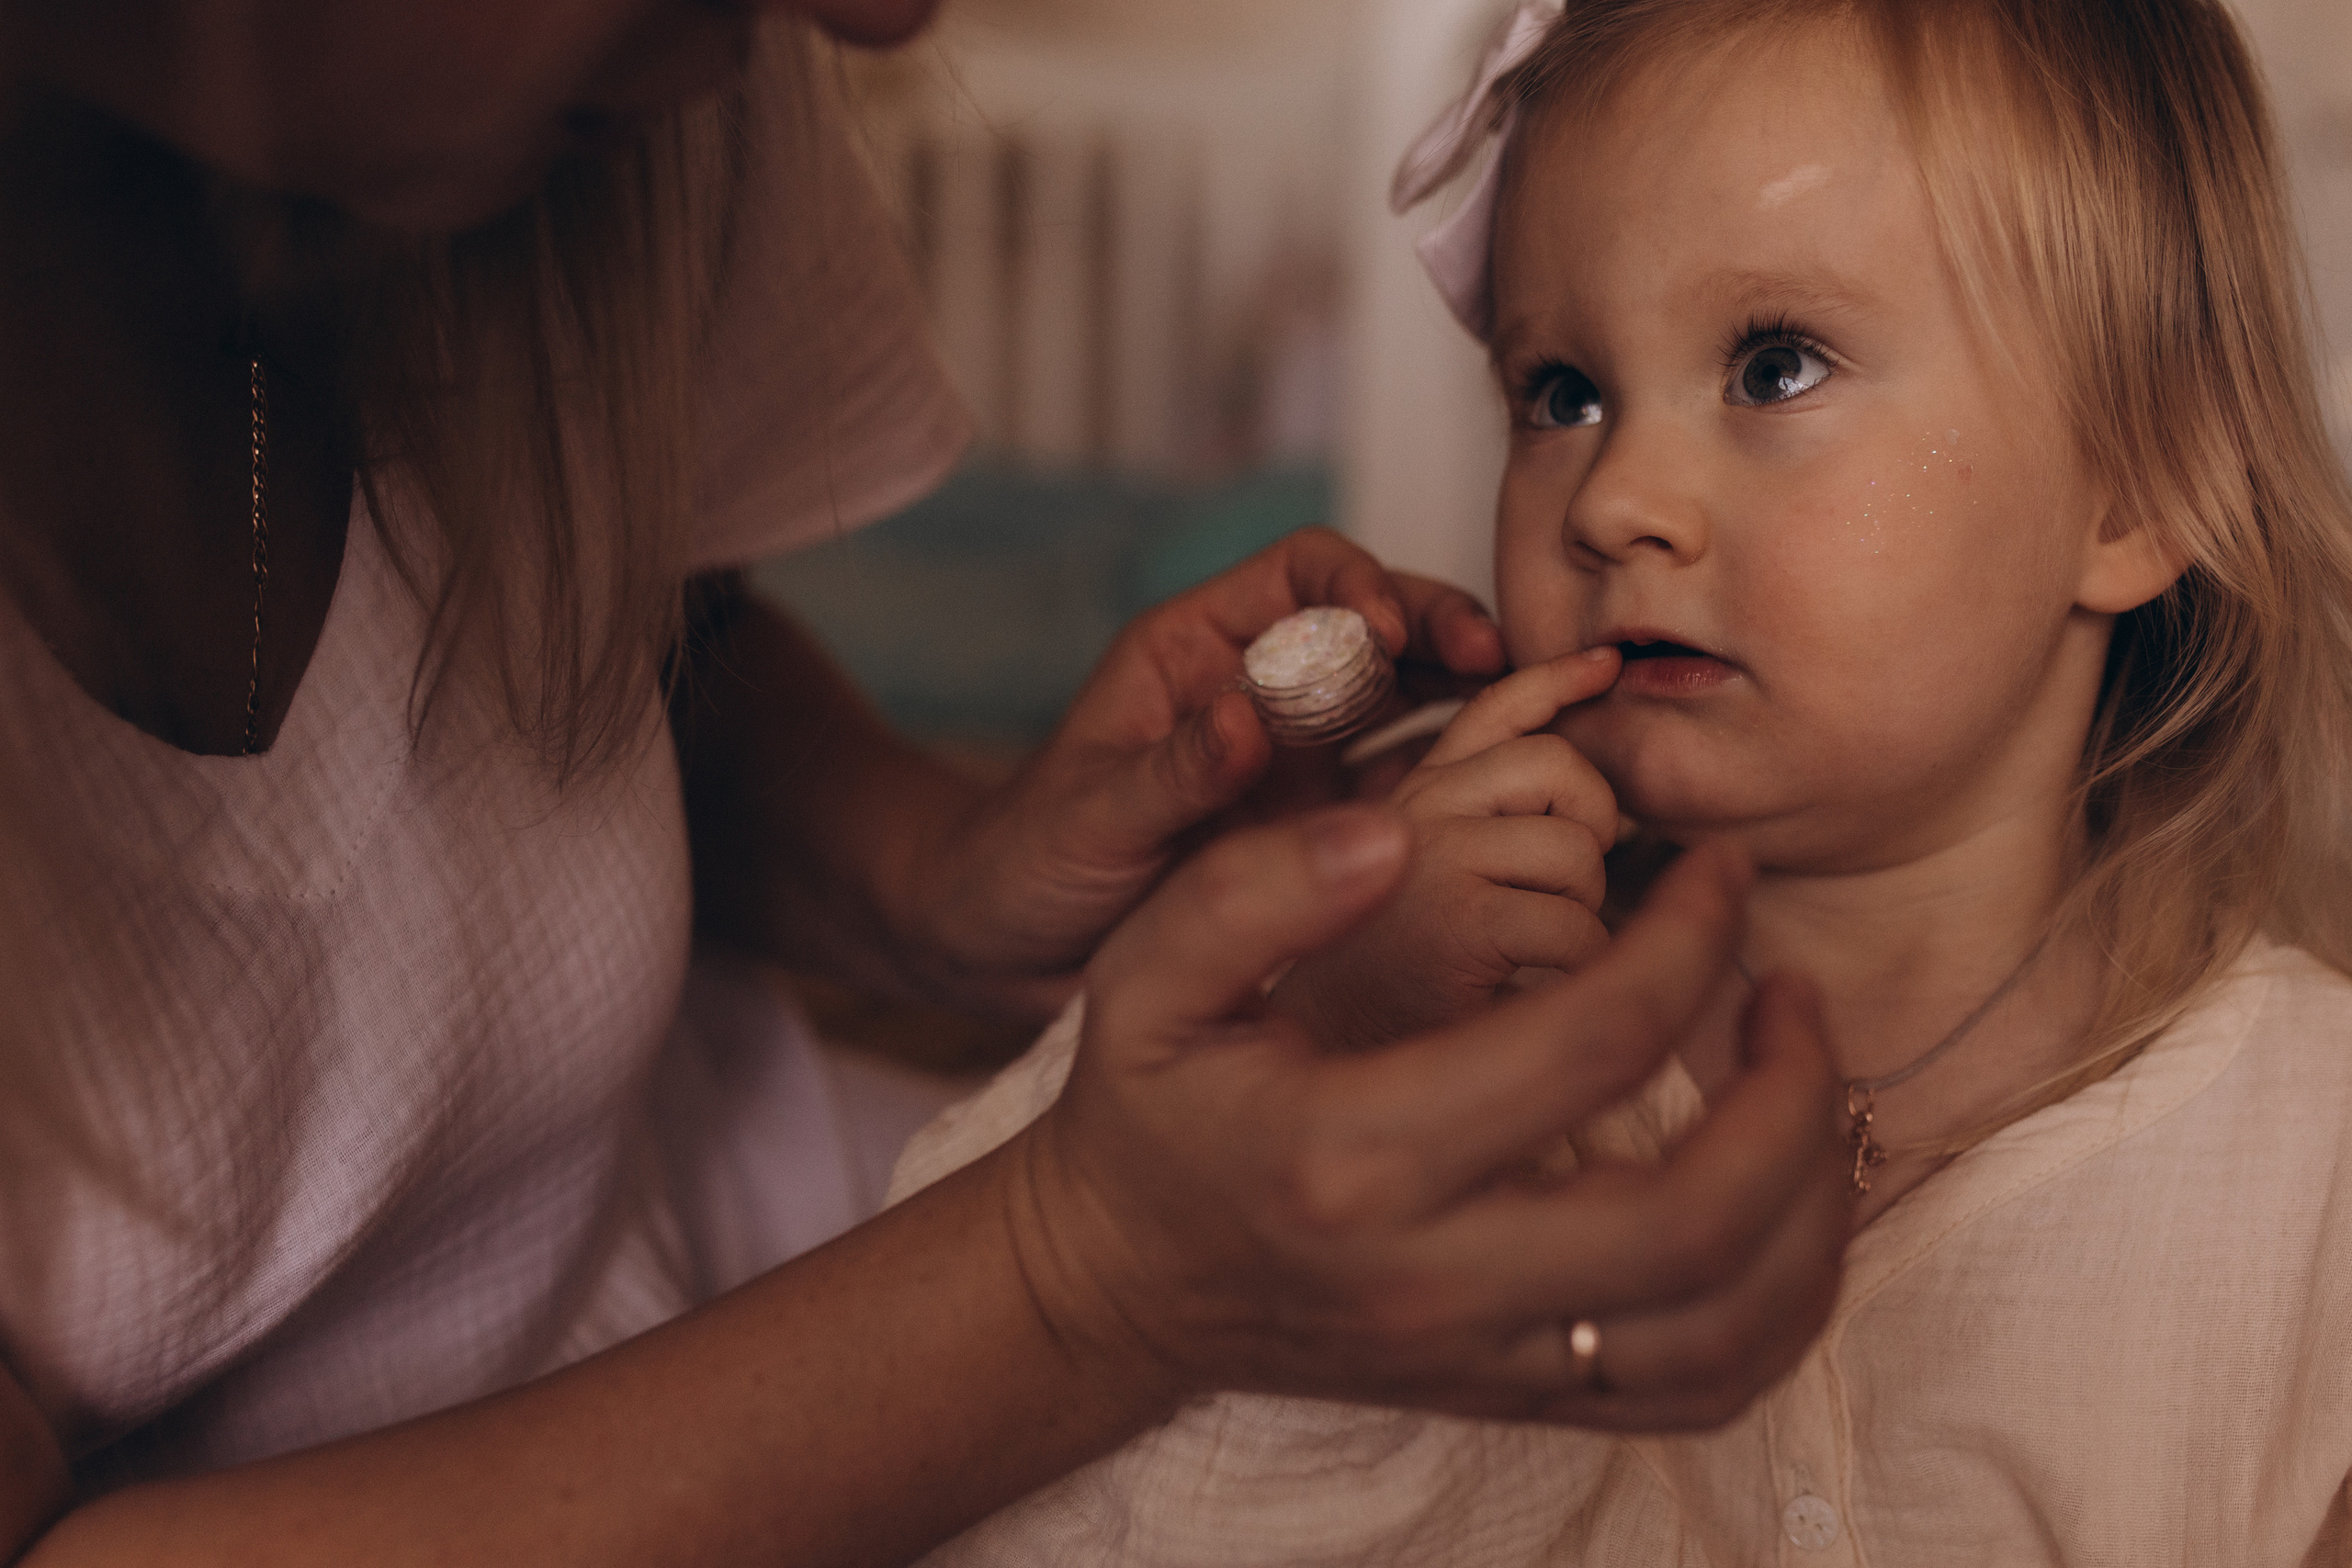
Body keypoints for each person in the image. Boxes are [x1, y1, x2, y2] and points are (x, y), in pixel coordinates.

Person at [0, 2, 1857, 1563]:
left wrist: (952, 873)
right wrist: (1084, 1273)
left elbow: (606, 658)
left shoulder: (630, 131)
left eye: (1774, 365)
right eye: (1555, 392)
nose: (886, 20)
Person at [883, 0, 2352, 1561]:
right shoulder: (1368, 993)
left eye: (1775, 365)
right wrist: (1330, 1034)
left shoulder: (2314, 1158)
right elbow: (950, 1437)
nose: (1616, 500)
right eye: (1562, 394)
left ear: (2138, 490)